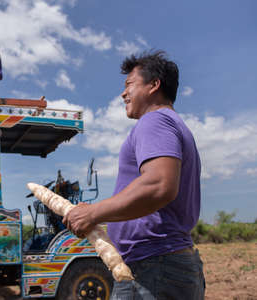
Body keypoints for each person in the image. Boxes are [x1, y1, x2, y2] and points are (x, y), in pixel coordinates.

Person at [63, 51, 205, 299]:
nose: (123, 93)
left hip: (153, 268)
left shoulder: (155, 120)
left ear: (153, 85)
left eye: (129, 84)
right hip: (161, 265)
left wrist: (93, 213)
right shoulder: (172, 123)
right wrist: (99, 213)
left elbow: (158, 185)